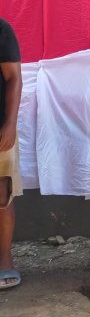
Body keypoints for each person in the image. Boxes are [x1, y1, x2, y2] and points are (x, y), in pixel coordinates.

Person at [0, 17, 23, 290]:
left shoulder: (2, 29)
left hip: (0, 128)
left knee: (2, 196)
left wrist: (10, 124)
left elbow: (14, 77)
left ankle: (5, 259)